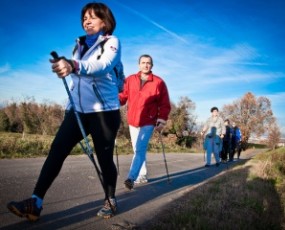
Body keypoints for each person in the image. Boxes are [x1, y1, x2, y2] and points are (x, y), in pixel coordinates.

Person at [7, 2, 122, 220]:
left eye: (92, 17)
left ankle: (110, 198)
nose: (86, 20)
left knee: (104, 159)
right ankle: (36, 202)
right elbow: (76, 83)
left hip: (104, 113)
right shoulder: (78, 45)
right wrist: (69, 105)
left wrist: (74, 65)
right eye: (84, 17)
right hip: (78, 112)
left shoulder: (112, 42)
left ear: (105, 22)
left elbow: (103, 66)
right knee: (57, 149)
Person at [119, 54, 171, 190]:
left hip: (148, 121)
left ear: (152, 65)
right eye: (143, 62)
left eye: (148, 63)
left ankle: (131, 177)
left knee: (140, 148)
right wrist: (111, 103)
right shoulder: (130, 80)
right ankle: (142, 174)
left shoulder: (158, 82)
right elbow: (122, 97)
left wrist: (161, 119)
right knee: (137, 150)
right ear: (139, 65)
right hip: (132, 121)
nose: (146, 65)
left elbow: (164, 103)